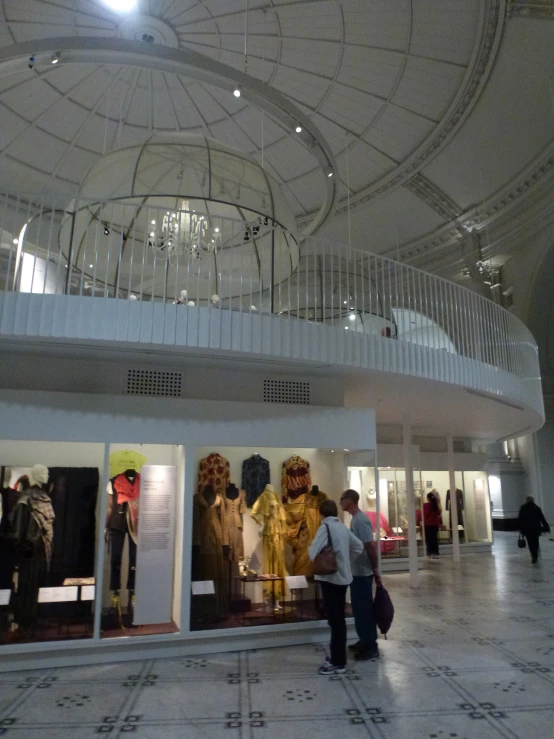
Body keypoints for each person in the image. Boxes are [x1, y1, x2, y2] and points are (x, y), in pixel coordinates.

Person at [308, 499, 363, 675]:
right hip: (343, 578)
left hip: (330, 578)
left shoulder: (325, 528)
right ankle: (338, 657)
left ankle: (338, 662)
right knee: (338, 619)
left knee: (335, 620)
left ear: (321, 513)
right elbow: (358, 546)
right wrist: (346, 561)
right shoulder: (342, 527)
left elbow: (312, 553)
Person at [339, 489, 381, 661]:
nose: (340, 502)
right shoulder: (355, 520)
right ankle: (364, 639)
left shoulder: (361, 520)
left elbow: (369, 546)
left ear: (349, 500)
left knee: (364, 608)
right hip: (356, 571)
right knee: (358, 607)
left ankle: (371, 645)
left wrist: (375, 567)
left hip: (363, 572)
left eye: (342, 499)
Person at [518, 495, 550, 563]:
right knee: (536, 542)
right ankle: (535, 555)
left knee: (530, 542)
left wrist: (520, 528)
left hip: (527, 529)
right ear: (533, 500)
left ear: (526, 500)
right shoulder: (537, 508)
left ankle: (533, 555)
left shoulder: (523, 508)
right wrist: (547, 527)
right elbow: (542, 518)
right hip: (536, 529)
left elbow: (520, 519)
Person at [423, 492, 442, 559]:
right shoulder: (436, 505)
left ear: (428, 498)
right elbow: (439, 513)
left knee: (429, 539)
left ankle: (430, 552)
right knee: (434, 539)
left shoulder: (425, 505)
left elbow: (425, 515)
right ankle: (435, 552)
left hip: (428, 524)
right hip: (435, 524)